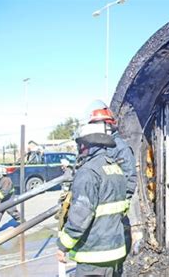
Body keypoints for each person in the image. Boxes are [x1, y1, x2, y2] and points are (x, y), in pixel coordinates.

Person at [56, 123, 130, 276]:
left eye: (81, 144)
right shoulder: (115, 168)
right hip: (115, 252)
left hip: (93, 254)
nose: (80, 149)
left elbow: (80, 217)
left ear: (88, 145)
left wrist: (63, 245)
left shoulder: (88, 172)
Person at [86, 100, 142, 255]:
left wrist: (121, 202)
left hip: (116, 210)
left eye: (97, 125)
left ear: (108, 125)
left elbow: (129, 178)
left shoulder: (119, 148)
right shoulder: (100, 146)